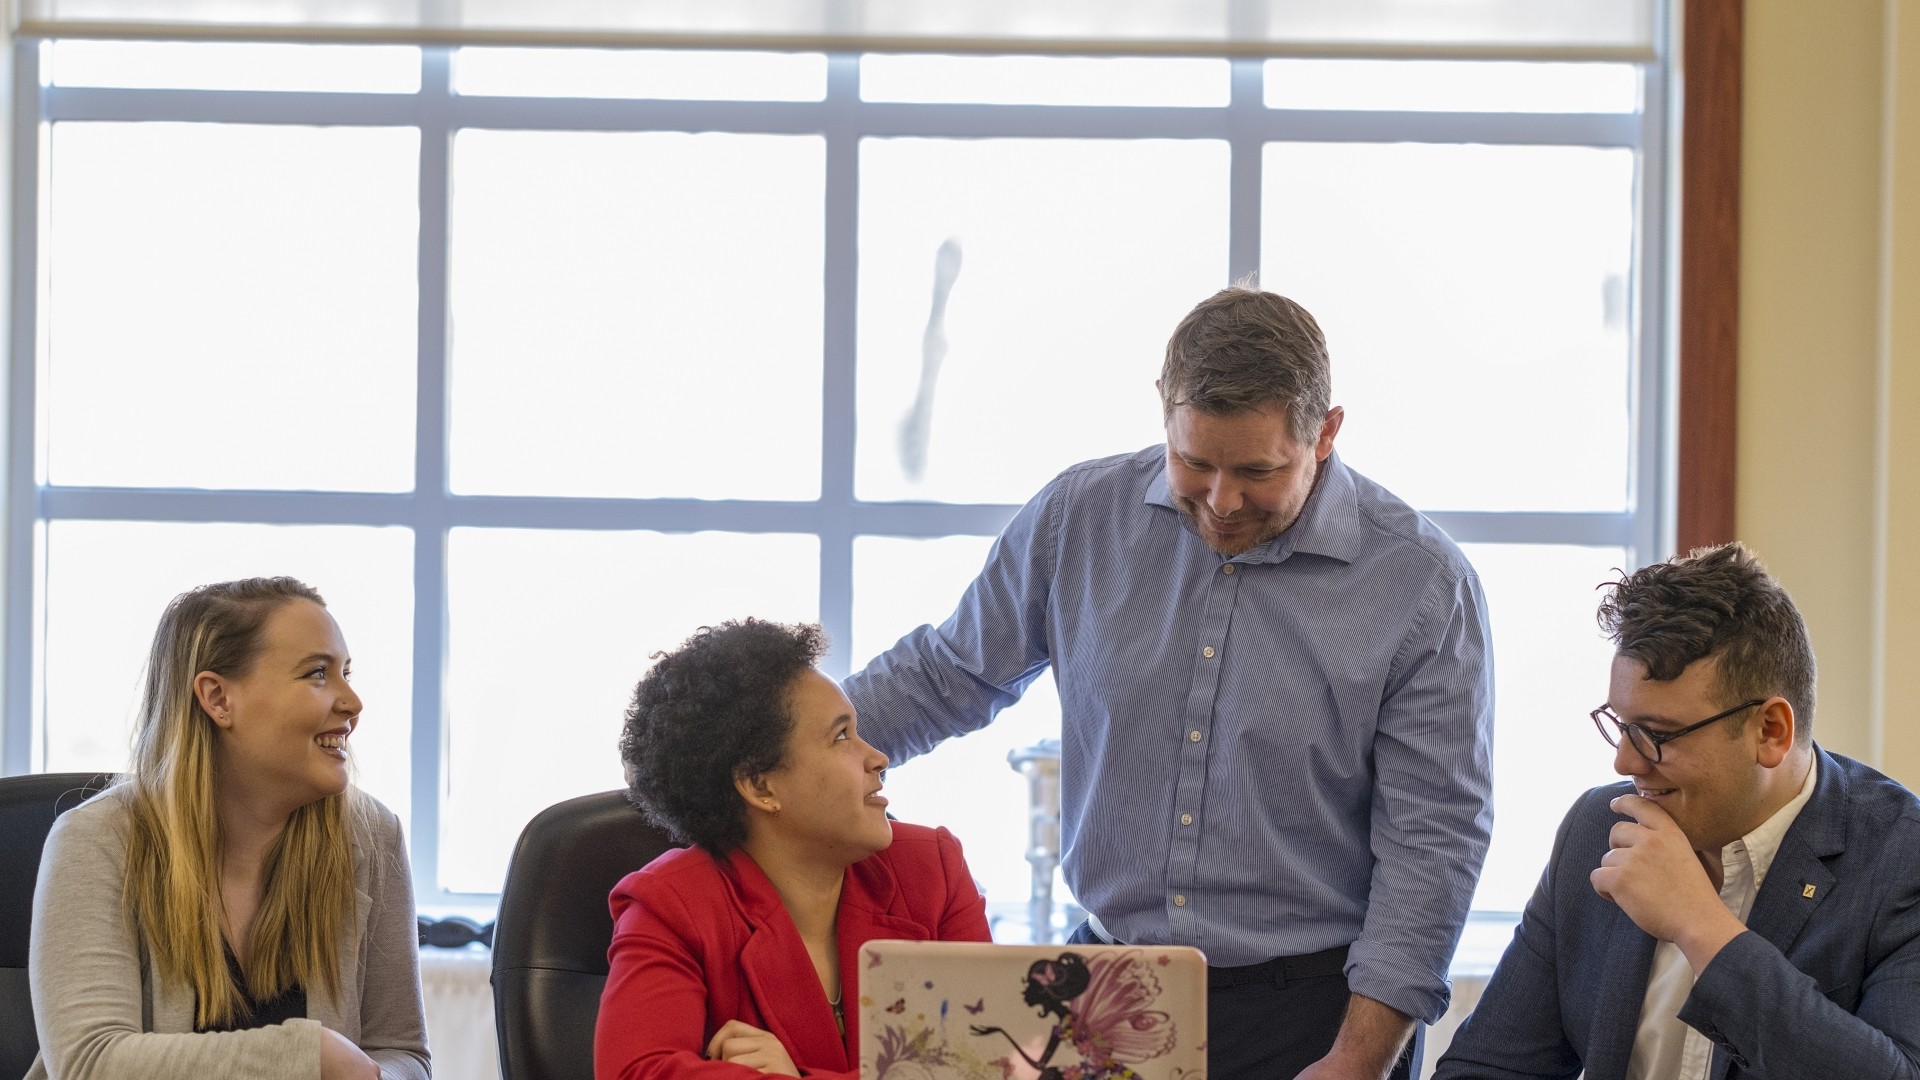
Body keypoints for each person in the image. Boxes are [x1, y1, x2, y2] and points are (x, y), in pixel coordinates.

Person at [844, 286, 1496, 1080]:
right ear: (1164, 410)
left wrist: (1360, 1058)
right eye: (1194, 462)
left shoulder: (1423, 586)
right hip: (1105, 987)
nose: (1222, 502)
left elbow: (1432, 842)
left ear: (1324, 436)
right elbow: (947, 673)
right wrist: (781, 753)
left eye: (1258, 471)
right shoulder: (1076, 518)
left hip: (1313, 1014)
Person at [1433, 542, 1920, 1080]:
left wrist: (1699, 924)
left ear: (1770, 732)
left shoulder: (1901, 858)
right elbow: (1485, 1069)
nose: (1624, 760)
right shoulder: (1600, 827)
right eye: (1621, 725)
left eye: (1658, 735)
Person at [25, 577, 428, 1080]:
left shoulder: (371, 836)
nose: (353, 702)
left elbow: (402, 1054)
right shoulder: (97, 841)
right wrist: (309, 1058)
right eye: (318, 674)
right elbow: (92, 1063)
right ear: (217, 698)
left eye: (346, 672)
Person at [596, 619, 992, 1080]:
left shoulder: (932, 869)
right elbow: (638, 1072)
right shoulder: (671, 905)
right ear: (761, 785)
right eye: (842, 736)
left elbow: (985, 1069)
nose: (878, 758)